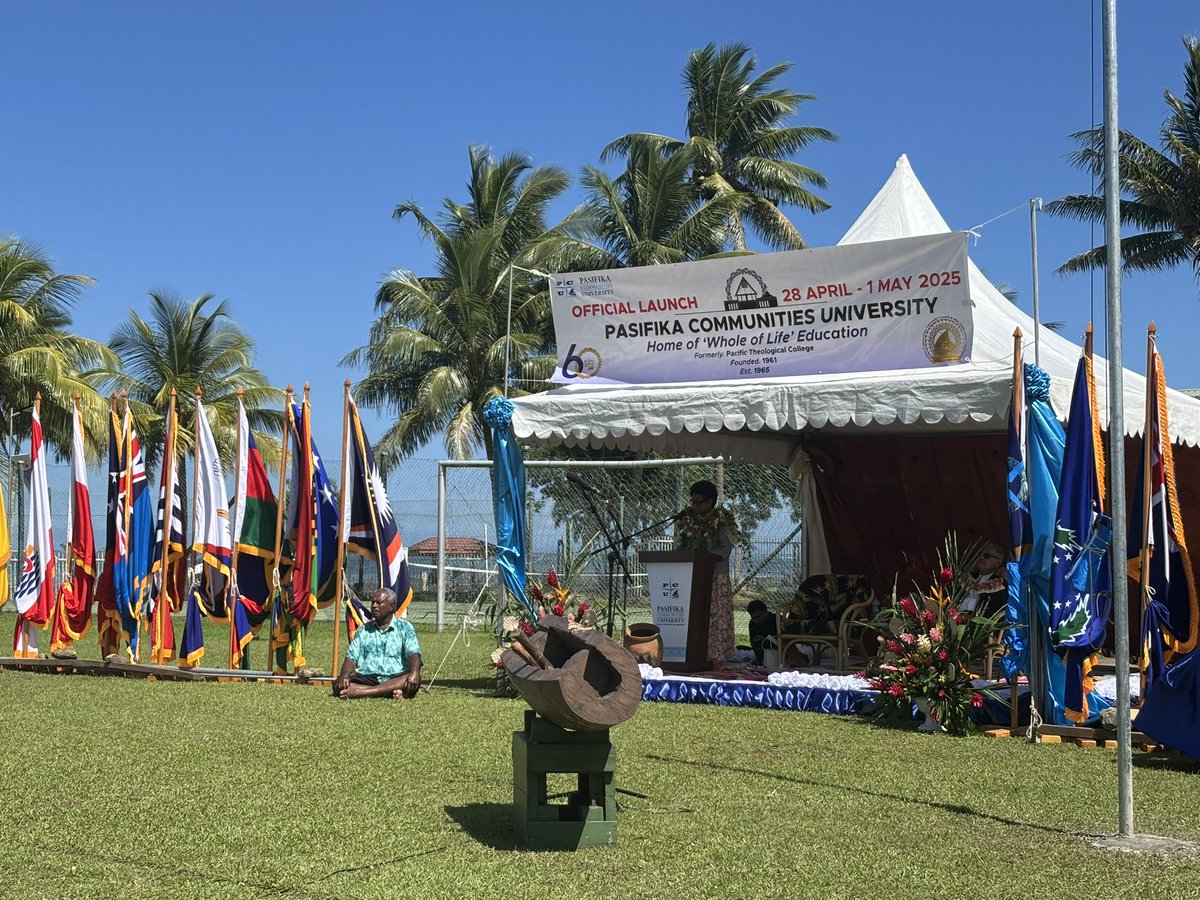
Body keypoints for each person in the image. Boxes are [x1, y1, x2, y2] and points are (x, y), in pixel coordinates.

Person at [675, 479, 738, 663]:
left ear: (710, 502)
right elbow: (683, 547)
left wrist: (702, 555)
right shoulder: (688, 519)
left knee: (715, 620)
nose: (694, 506)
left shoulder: (722, 520)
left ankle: (716, 656)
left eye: (699, 503)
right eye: (692, 502)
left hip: (715, 577)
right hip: (692, 577)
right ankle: (692, 653)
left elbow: (725, 550)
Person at [332, 588, 422, 699]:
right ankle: (388, 692)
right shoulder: (363, 629)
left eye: (379, 603)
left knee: (410, 678)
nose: (374, 606)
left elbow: (414, 653)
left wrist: (414, 673)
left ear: (391, 607)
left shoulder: (405, 627)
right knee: (338, 685)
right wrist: (344, 675)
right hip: (368, 678)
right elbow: (351, 657)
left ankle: (361, 693)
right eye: (373, 602)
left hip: (395, 677)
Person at [962, 542, 1006, 619]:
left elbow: (993, 612)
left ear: (997, 563)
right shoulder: (967, 577)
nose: (981, 557)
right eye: (980, 554)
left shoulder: (1000, 584)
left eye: (986, 556)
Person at [745, 599, 778, 666]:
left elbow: (783, 642)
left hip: (776, 650)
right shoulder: (752, 623)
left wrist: (765, 640)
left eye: (758, 617)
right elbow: (752, 642)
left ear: (765, 611)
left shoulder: (776, 620)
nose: (755, 621)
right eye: (753, 618)